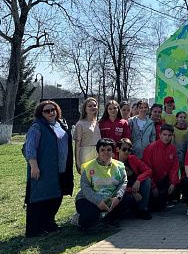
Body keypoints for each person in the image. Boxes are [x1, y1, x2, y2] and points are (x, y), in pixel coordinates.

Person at [23, 101, 73, 236]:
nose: (51, 112)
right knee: (39, 198)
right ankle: (35, 229)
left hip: (60, 169)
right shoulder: (37, 127)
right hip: (43, 168)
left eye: (53, 110)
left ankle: (49, 223)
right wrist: (34, 166)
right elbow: (30, 147)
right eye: (47, 111)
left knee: (56, 197)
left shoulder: (60, 124)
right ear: (41, 113)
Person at [75, 138, 134, 230]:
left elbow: (123, 183)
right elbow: (85, 187)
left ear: (113, 151)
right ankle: (80, 220)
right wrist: (98, 202)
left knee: (128, 198)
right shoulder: (88, 167)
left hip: (110, 198)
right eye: (102, 150)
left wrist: (117, 198)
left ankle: (109, 219)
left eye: (109, 150)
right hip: (90, 199)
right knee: (90, 217)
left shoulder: (120, 166)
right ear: (98, 152)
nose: (106, 152)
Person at [142, 124, 179, 211]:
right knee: (154, 207)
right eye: (164, 134)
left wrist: (173, 183)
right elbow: (146, 169)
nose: (167, 137)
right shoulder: (151, 148)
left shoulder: (173, 149)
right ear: (160, 135)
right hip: (152, 181)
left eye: (169, 135)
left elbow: (174, 167)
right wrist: (153, 186)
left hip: (164, 180)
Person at [116, 138, 152, 220]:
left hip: (134, 186)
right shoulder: (113, 162)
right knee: (128, 198)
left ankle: (142, 209)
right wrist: (132, 191)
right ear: (118, 149)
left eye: (129, 150)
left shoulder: (133, 159)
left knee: (147, 180)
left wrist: (138, 180)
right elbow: (115, 184)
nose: (127, 152)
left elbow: (149, 171)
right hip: (122, 190)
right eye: (124, 149)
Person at [74, 97, 101, 173]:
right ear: (85, 109)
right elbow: (77, 145)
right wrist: (77, 162)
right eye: (89, 106)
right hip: (86, 153)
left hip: (98, 152)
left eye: (94, 105)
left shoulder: (97, 123)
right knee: (87, 177)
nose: (92, 107)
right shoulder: (80, 124)